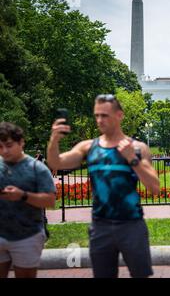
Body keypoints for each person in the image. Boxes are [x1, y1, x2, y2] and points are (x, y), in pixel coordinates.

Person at [47, 94, 160, 278]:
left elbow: (154, 187)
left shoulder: (138, 148)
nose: (99, 120)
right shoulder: (88, 147)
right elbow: (56, 163)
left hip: (131, 224)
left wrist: (132, 159)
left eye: (105, 115)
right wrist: (54, 139)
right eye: (97, 115)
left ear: (119, 115)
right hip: (101, 226)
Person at [0, 122, 56, 278]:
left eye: (9, 145)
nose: (4, 151)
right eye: (0, 146)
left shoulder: (37, 168)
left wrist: (23, 195)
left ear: (21, 142)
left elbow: (50, 201)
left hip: (27, 235)